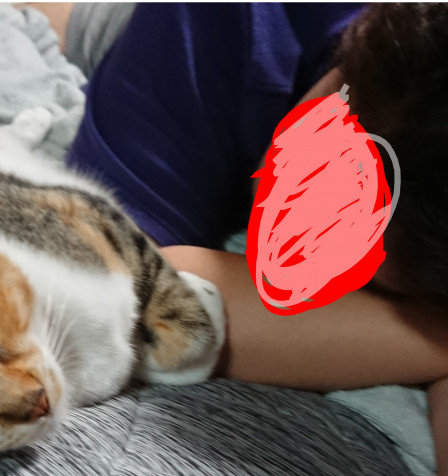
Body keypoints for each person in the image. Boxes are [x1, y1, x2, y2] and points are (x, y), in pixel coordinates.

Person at [36, 3, 448, 473]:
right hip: (172, 44)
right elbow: (115, 287)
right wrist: (433, 334)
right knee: (68, 21)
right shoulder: (218, 19)